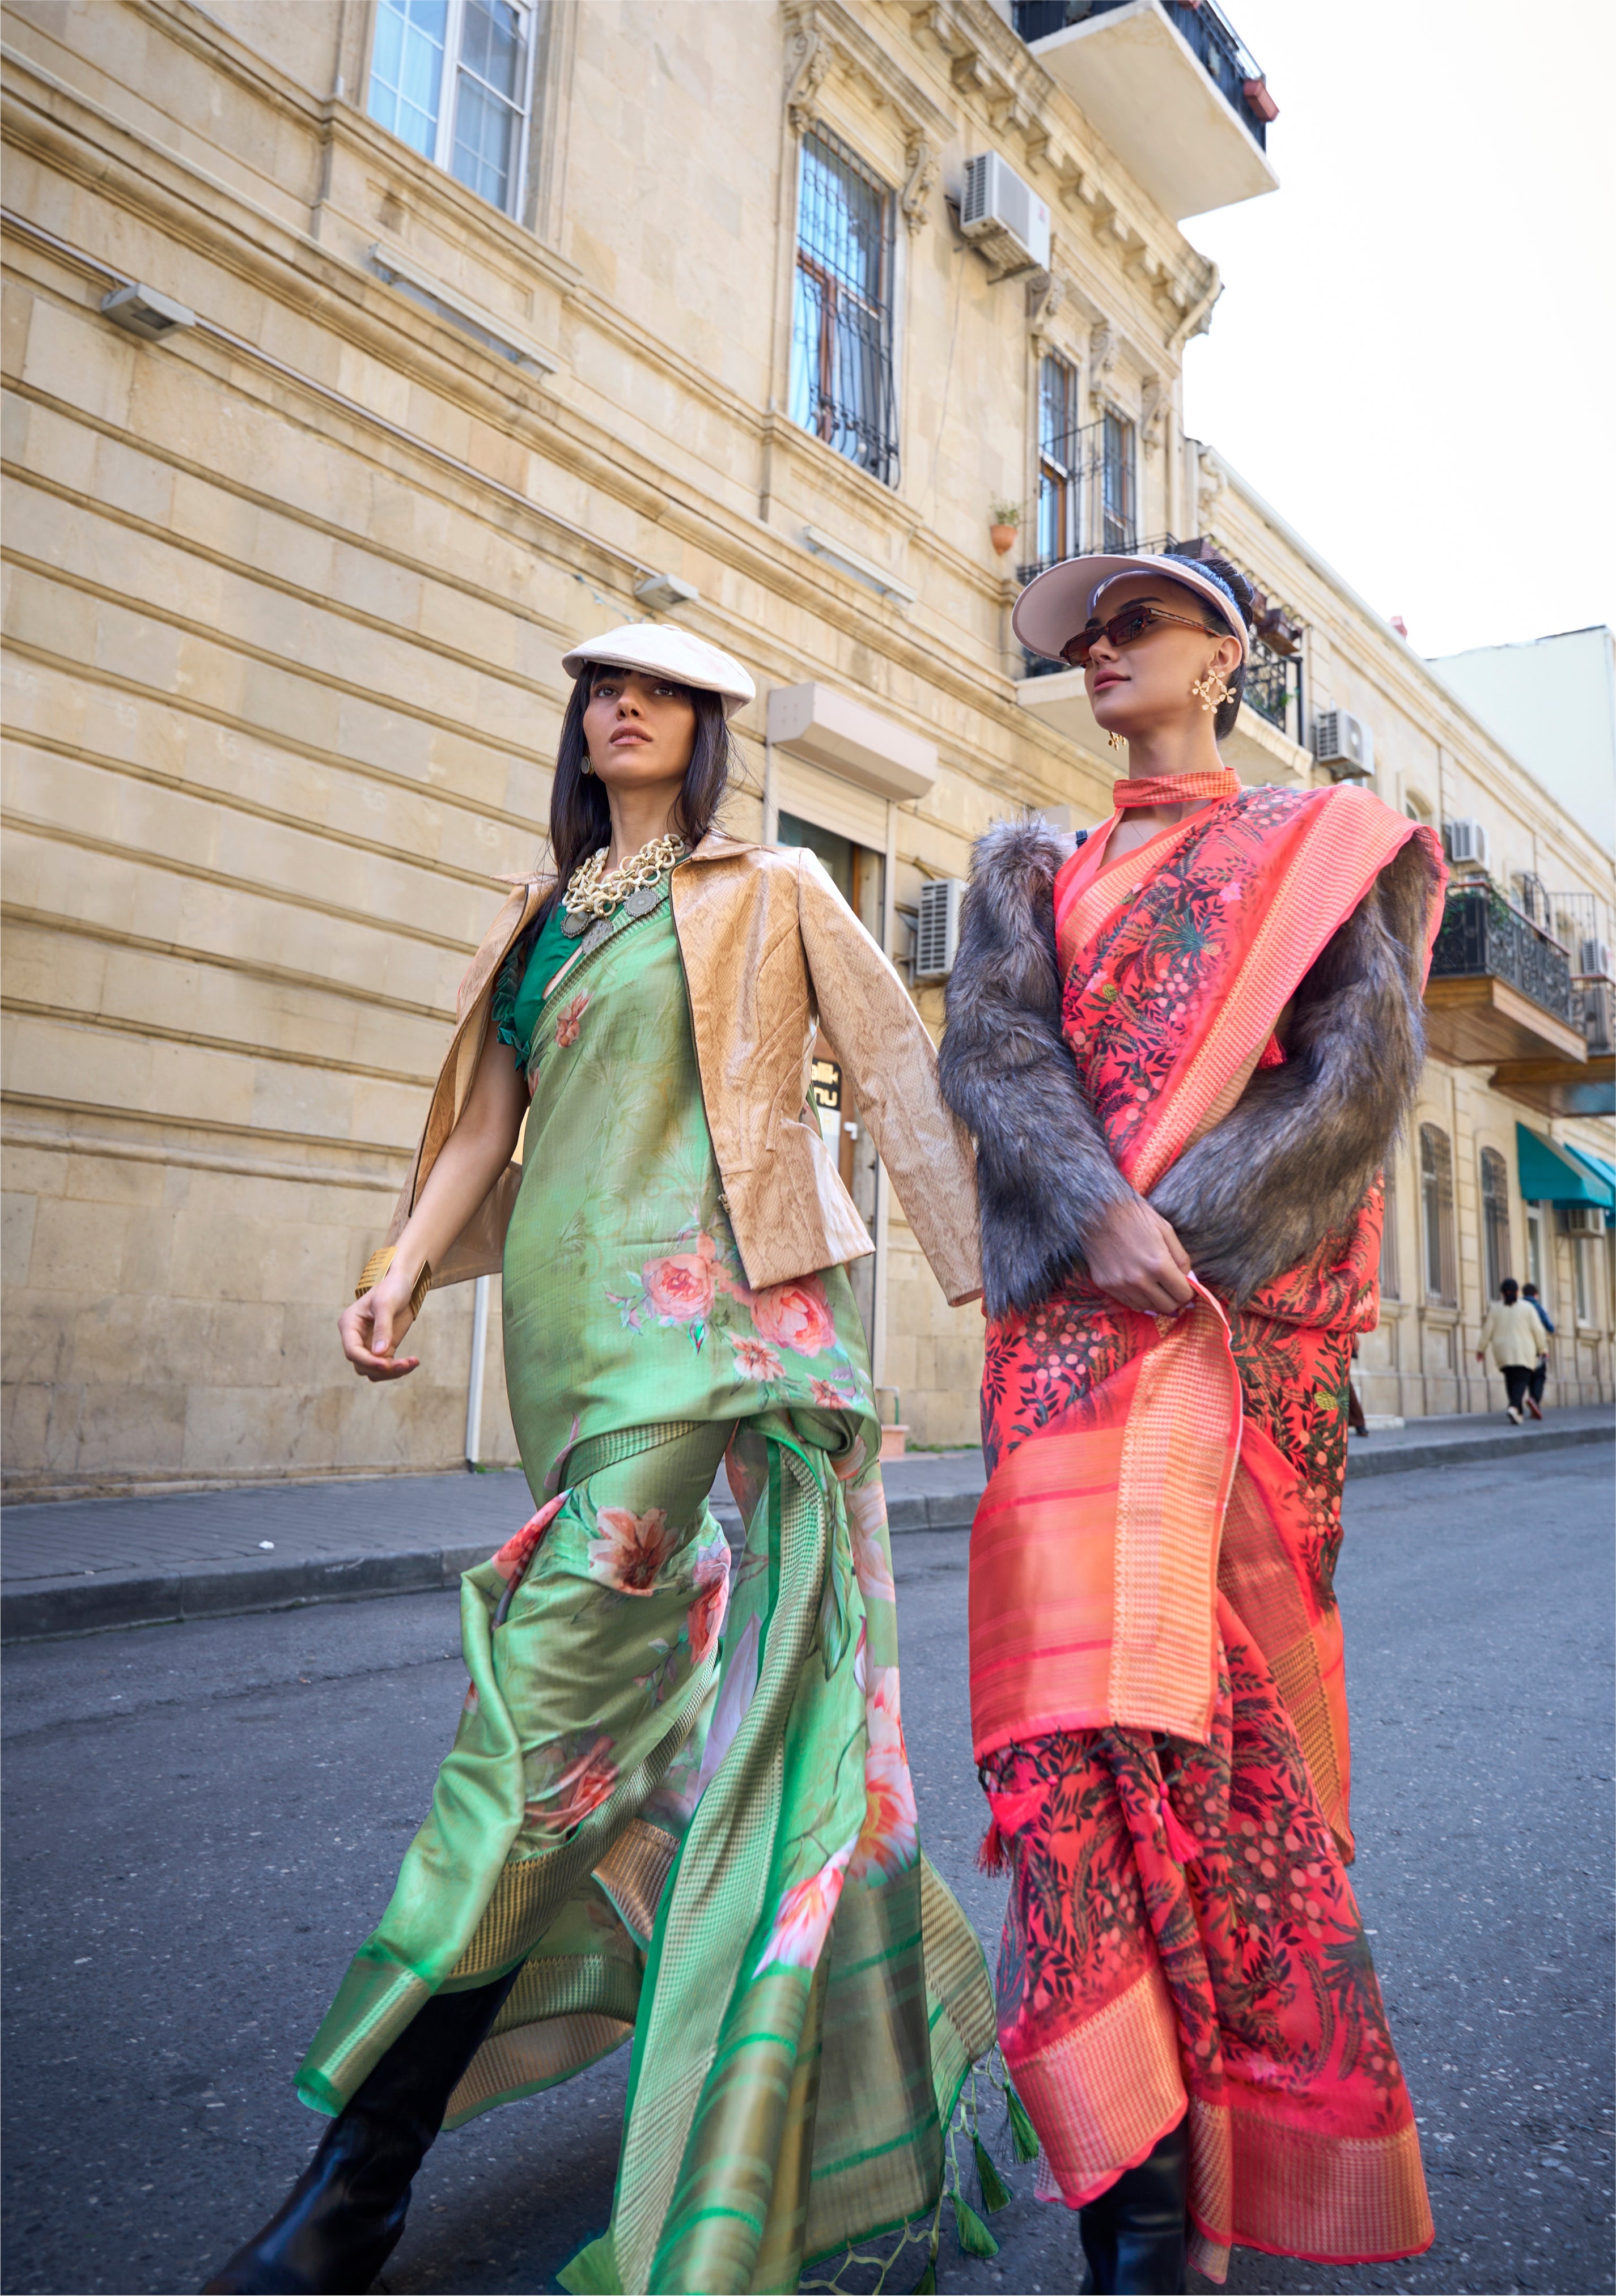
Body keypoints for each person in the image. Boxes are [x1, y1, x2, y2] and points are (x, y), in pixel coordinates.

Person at [204, 625, 996, 2296]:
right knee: (589, 1740)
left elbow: (902, 1067)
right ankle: (692, 1985)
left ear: (706, 732)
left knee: (531, 1730)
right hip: (569, 1354)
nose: (614, 705)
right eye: (594, 689)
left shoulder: (773, 891)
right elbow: (485, 1124)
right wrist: (399, 1264)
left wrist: (998, 1283)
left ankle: (354, 2186)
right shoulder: (543, 918)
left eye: (657, 691)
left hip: (700, 1339)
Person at [939, 546, 1441, 2292]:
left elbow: (1356, 1081)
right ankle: (1128, 2217)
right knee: (1065, 1755)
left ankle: (1205, 2186)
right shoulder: (1030, 869)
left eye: (1137, 623)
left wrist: (1194, 1234)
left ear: (1224, 656)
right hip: (1066, 1352)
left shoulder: (1316, 851)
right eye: (1084, 635)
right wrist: (1094, 1213)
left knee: (1217, 1758)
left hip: (1228, 1346)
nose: (1098, 651)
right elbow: (997, 1071)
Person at [1477, 1276, 1551, 1424]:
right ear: (1517, 1292)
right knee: (1521, 1381)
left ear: (1502, 1293)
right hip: (1523, 1351)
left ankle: (1518, 1413)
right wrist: (1543, 1349)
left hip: (1502, 1351)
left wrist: (1481, 1349)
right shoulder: (1527, 1308)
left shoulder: (1495, 1309)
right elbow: (1537, 1330)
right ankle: (1513, 1406)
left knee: (1510, 1379)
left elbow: (1487, 1330)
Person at [1522, 1279, 1555, 1417]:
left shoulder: (1519, 1306)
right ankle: (1535, 1400)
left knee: (1528, 1376)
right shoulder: (1537, 1307)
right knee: (1539, 1376)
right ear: (1536, 1295)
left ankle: (1532, 1403)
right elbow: (1550, 1327)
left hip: (1522, 1347)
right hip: (1536, 1347)